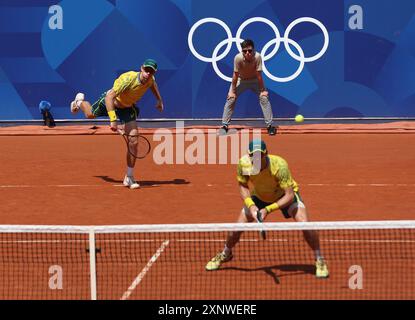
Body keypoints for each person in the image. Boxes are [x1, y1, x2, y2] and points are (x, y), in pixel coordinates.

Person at [205, 139, 329, 278]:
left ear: (266, 154)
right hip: (259, 196)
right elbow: (243, 186)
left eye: (260, 155)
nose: (257, 158)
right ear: (249, 155)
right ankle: (225, 254)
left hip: (283, 196)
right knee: (236, 229)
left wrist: (267, 210)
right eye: (254, 155)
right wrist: (251, 205)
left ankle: (320, 259)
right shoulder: (244, 164)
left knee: (306, 225)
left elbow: (289, 195)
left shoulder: (279, 165)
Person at [70, 59, 164, 189]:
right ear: (141, 68)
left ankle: (129, 177)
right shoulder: (128, 79)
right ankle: (79, 103)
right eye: (146, 70)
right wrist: (113, 120)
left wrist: (159, 99)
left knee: (134, 140)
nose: (148, 73)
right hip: (110, 102)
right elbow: (110, 97)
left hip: (127, 108)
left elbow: (153, 85)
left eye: (151, 72)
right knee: (90, 114)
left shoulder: (150, 80)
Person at [219, 39, 277, 136]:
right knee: (231, 99)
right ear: (242, 51)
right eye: (245, 51)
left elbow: (259, 75)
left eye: (250, 51)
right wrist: (232, 91)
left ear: (253, 50)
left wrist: (263, 91)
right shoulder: (238, 58)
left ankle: (270, 126)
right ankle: (225, 126)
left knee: (264, 98)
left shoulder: (258, 57)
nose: (247, 53)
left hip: (254, 80)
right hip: (240, 80)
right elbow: (235, 75)